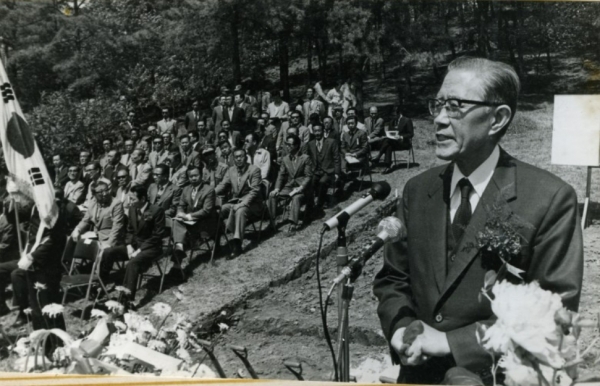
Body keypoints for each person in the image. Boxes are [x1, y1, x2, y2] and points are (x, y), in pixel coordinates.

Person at [373, 57, 584, 385]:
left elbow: (556, 315)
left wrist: (450, 343)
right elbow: (393, 279)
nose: (439, 120)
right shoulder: (418, 190)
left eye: (455, 106)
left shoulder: (549, 198)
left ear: (497, 118)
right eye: (438, 105)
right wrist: (400, 327)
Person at [101, 185, 165, 303]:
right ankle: (100, 285)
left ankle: (127, 299)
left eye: (133, 199)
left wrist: (139, 251)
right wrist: (129, 245)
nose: (130, 202)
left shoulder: (157, 211)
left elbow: (157, 236)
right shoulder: (132, 209)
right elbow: (129, 231)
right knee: (108, 252)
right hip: (135, 245)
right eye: (129, 199)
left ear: (143, 199)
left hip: (151, 247)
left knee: (133, 262)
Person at [215, 148, 263, 258]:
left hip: (253, 203)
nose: (238, 159)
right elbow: (222, 185)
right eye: (236, 157)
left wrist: (243, 203)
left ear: (246, 157)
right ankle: (216, 242)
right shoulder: (231, 170)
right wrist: (209, 193)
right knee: (219, 211)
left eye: (241, 156)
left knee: (240, 211)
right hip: (236, 202)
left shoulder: (254, 170)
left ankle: (237, 245)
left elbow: (255, 191)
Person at [172, 165, 216, 265]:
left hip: (205, 222)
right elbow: (181, 205)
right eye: (190, 176)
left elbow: (206, 211)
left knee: (178, 225)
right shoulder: (186, 189)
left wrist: (188, 216)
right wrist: (180, 213)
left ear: (201, 176)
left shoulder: (209, 190)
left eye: (196, 175)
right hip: (190, 222)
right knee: (176, 220)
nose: (193, 178)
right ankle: (179, 247)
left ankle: (178, 250)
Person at [268, 135, 313, 231]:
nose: (287, 146)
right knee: (272, 196)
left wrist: (301, 187)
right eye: (286, 144)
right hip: (289, 187)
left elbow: (308, 176)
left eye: (290, 144)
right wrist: (276, 189)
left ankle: (293, 223)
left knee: (296, 197)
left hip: (302, 188)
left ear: (296, 146)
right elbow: (281, 175)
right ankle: (272, 222)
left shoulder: (305, 158)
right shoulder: (285, 159)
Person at [304, 124, 341, 211]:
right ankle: (310, 204)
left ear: (323, 131)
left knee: (322, 182)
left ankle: (319, 204)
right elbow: (308, 159)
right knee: (310, 182)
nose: (317, 133)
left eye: (319, 131)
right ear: (313, 132)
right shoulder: (310, 144)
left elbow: (337, 158)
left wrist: (337, 173)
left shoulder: (331, 142)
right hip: (315, 171)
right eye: (315, 131)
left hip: (328, 171)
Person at [374, 106, 414, 174]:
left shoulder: (407, 120)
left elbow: (411, 134)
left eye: (394, 115)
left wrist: (401, 137)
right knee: (388, 143)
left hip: (404, 143)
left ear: (399, 113)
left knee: (388, 141)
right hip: (393, 142)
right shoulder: (392, 121)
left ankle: (378, 156)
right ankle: (387, 166)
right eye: (392, 115)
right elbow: (390, 133)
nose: (393, 117)